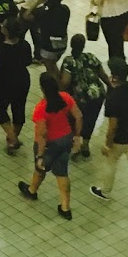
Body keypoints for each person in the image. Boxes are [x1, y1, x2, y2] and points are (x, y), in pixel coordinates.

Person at [17, 74, 81, 219]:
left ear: (42, 89)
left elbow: (42, 135)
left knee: (41, 167)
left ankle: (32, 191)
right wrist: (77, 136)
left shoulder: (41, 108)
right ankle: (65, 207)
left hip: (50, 145)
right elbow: (78, 116)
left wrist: (40, 155)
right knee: (62, 172)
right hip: (66, 140)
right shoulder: (65, 97)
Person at [91, 58, 128, 205]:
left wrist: (107, 145)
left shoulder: (113, 97)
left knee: (110, 162)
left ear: (114, 77)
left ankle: (105, 191)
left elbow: (113, 126)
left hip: (119, 140)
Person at [59, 34, 110, 158]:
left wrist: (58, 92)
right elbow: (102, 74)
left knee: (75, 119)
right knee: (91, 120)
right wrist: (110, 86)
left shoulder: (69, 61)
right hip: (97, 95)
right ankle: (86, 145)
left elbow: (65, 82)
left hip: (79, 97)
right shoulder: (91, 57)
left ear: (71, 45)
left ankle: (75, 145)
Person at [0, 16, 32, 154]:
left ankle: (12, 138)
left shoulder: (1, 49)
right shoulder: (25, 45)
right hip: (22, 80)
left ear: (6, 31)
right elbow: (28, 62)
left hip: (5, 84)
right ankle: (12, 140)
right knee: (18, 109)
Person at [30, 0, 70, 79]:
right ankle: (62, 83)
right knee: (53, 65)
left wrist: (38, 1)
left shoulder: (42, 12)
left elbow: (26, 15)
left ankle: (59, 88)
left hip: (48, 46)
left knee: (50, 70)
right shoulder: (65, 9)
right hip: (62, 44)